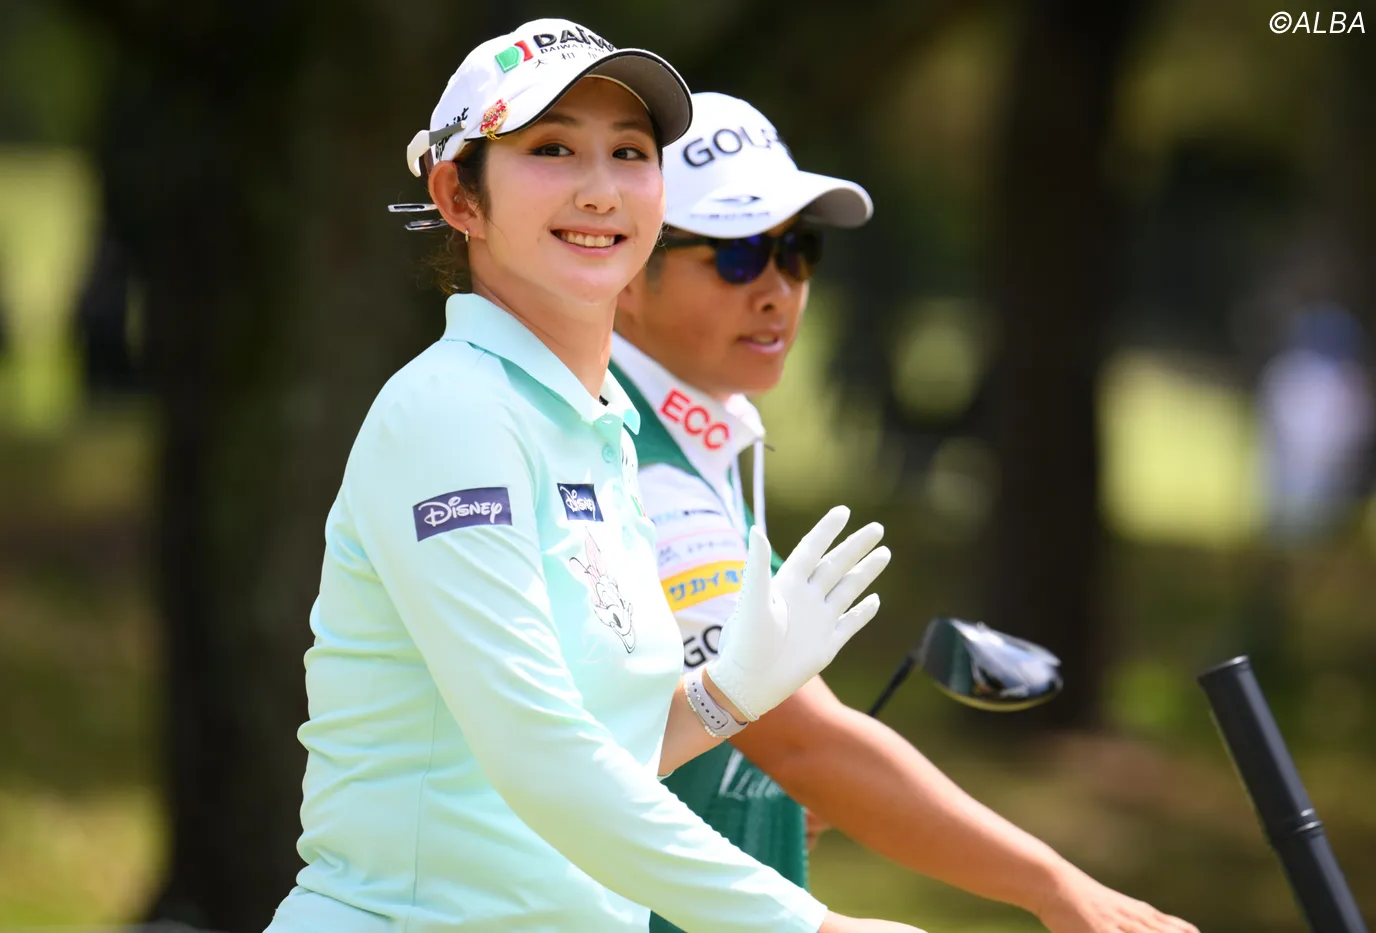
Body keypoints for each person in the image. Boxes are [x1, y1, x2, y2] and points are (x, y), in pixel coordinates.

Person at [264, 20, 922, 933]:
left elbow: (603, 757)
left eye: (630, 152)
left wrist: (726, 692)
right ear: (458, 195)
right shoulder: (454, 413)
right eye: (552, 148)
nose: (601, 189)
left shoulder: (598, 428)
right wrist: (806, 925)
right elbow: (542, 758)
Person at [612, 91, 1201, 933]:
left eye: (799, 251)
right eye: (739, 255)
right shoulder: (646, 469)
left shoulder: (696, 432)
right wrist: (1058, 887)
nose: (779, 290)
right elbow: (806, 741)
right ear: (628, 270)